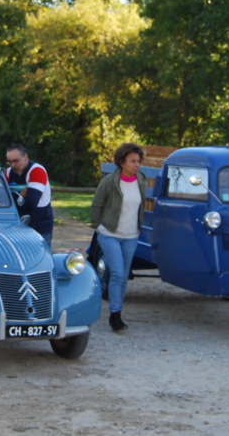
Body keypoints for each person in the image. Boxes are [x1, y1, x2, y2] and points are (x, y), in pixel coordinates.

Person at [90, 142, 147, 332]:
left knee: (123, 277)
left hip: (131, 236)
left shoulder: (141, 180)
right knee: (118, 274)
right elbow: (97, 204)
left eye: (138, 161)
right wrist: (98, 227)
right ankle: (115, 315)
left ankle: (118, 311)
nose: (137, 164)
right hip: (110, 234)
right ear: (122, 162)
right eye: (132, 161)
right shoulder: (110, 181)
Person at [3, 144, 54, 247]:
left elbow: (31, 202)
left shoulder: (37, 171)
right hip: (16, 226)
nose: (12, 165)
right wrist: (21, 194)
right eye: (10, 162)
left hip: (39, 226)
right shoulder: (8, 172)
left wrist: (10, 196)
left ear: (25, 157)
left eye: (16, 161)